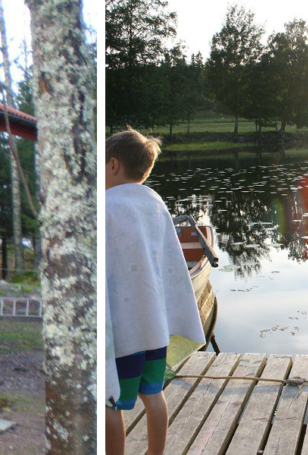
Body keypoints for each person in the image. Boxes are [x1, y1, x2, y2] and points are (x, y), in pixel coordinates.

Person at [104, 128, 205, 455]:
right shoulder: (156, 202)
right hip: (155, 327)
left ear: (114, 165)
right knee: (153, 393)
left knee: (109, 401)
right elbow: (170, 265)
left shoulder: (106, 206)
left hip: (123, 330)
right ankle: (155, 453)